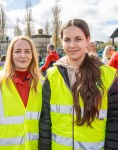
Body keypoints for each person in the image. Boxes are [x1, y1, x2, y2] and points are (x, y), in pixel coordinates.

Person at [39, 19, 118, 150]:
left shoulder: (108, 76)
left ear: (87, 40)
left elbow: (114, 122)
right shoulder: (52, 76)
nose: (72, 45)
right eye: (67, 40)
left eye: (78, 39)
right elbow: (45, 122)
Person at [0, 36, 42, 150]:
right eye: (18, 51)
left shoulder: (41, 84)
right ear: (11, 55)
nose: (22, 56)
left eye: (27, 51)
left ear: (32, 55)